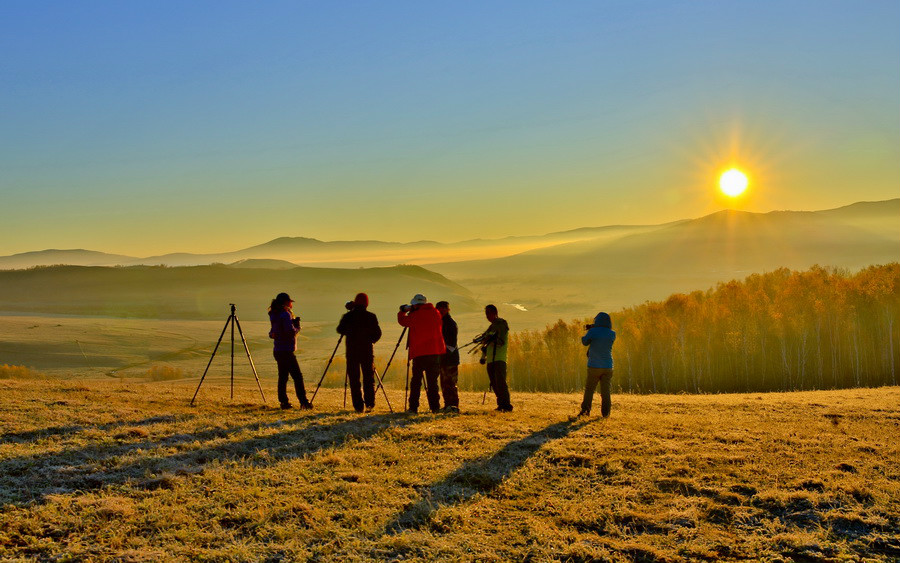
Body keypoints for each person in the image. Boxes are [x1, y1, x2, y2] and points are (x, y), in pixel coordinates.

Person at [397, 294, 445, 413]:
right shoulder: (436, 313)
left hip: (420, 353)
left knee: (416, 381)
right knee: (432, 382)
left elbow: (402, 321)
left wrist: (402, 311)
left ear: (416, 305)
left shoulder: (415, 315)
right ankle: (435, 407)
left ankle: (413, 408)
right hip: (435, 352)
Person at [337, 292, 382, 413]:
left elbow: (340, 329)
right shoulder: (371, 316)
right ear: (367, 303)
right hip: (366, 351)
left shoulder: (349, 316)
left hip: (352, 352)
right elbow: (378, 333)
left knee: (354, 379)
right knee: (368, 378)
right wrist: (371, 340)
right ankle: (370, 403)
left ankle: (358, 406)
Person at [268, 292, 311, 410]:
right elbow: (290, 332)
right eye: (289, 302)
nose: (291, 304)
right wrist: (297, 327)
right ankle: (304, 402)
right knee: (297, 377)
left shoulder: (274, 314)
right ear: (285, 302)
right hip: (286, 350)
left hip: (278, 349)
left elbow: (273, 332)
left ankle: (284, 402)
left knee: (283, 377)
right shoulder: (285, 314)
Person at [580, 312, 616, 417]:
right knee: (606, 392)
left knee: (590, 390)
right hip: (608, 366)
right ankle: (606, 414)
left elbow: (585, 342)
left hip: (594, 365)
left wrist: (590, 330)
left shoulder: (593, 331)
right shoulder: (612, 333)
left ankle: (586, 411)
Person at [480, 304, 512, 412]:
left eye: (489, 313)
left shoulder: (501, 324)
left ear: (495, 313)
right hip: (491, 359)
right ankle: (501, 405)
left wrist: (490, 339)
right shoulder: (492, 326)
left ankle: (506, 405)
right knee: (494, 383)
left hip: (499, 358)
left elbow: (501, 342)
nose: (487, 315)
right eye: (486, 313)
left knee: (500, 382)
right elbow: (484, 339)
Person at [435, 301, 460, 412]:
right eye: (439, 309)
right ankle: (448, 405)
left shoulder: (449, 323)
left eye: (443, 309)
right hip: (445, 358)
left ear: (447, 310)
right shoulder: (442, 322)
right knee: (445, 383)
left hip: (450, 359)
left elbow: (451, 344)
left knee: (450, 383)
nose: (441, 311)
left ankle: (453, 405)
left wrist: (442, 353)